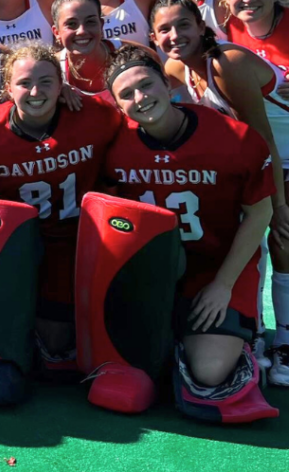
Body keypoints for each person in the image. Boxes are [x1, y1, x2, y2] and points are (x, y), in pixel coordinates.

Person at [104, 46, 276, 422]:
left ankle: (246, 342)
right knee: (133, 360)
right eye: (127, 95)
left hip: (219, 266)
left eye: (147, 85)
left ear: (167, 84)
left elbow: (260, 212)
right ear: (117, 106)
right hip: (158, 272)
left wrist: (223, 285)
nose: (141, 98)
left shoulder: (233, 137)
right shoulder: (115, 145)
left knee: (209, 372)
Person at [0, 45, 123, 379]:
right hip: (21, 254)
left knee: (61, 346)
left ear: (62, 83)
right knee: (49, 346)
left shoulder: (93, 116)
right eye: (24, 83)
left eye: (47, 82)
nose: (36, 92)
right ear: (7, 89)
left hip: (82, 246)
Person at [157, 0, 289, 385]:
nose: (174, 35)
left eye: (183, 25)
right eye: (164, 29)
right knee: (247, 240)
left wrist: (279, 206)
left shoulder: (226, 62)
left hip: (281, 151)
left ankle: (284, 342)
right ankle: (257, 335)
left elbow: (263, 140)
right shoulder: (177, 70)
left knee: (281, 238)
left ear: (202, 27)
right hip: (260, 159)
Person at [52, 0, 145, 101]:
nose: (82, 31)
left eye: (90, 22)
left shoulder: (136, 56)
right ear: (56, 32)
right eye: (71, 24)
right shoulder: (51, 71)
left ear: (101, 25)